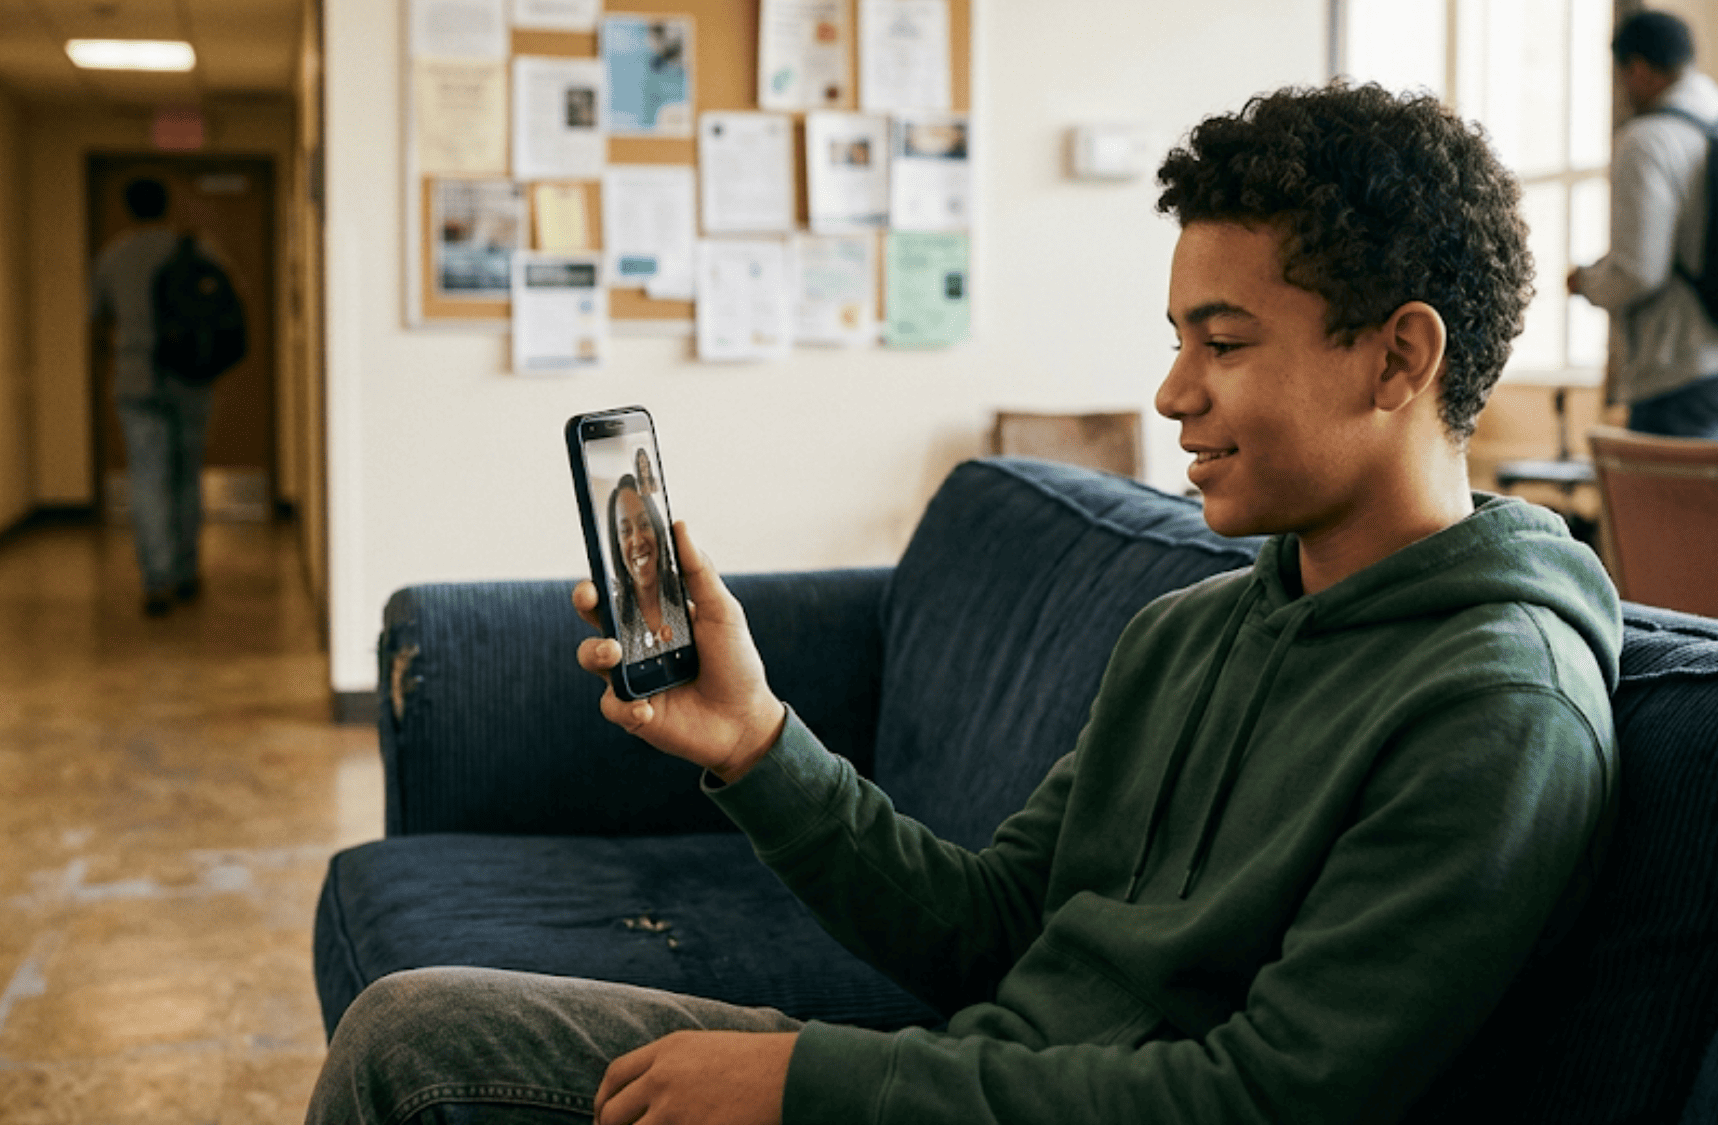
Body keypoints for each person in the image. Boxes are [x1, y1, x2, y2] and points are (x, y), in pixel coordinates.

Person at [307, 82, 1620, 1125]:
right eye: (1176, 340)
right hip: (971, 1079)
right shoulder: (1191, 629)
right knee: (418, 1028)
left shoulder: (1496, 712)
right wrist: (758, 745)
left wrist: (813, 1087)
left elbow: (1265, 1100)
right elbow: (990, 933)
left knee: (420, 1062)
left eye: (1222, 344)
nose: (1172, 394)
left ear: (1398, 357)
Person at [1567, 9, 1718, 439]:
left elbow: (1639, 271)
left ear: (1637, 69)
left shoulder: (1646, 140)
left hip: (1689, 378)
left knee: (1663, 489)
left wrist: (1586, 283)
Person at [89, 177, 228, 616]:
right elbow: (225, 306)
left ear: (129, 208)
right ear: (167, 206)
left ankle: (157, 579)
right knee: (187, 475)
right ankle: (187, 571)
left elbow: (97, 319)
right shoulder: (195, 250)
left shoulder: (112, 256)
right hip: (190, 379)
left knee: (147, 477)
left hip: (135, 382)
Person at [605, 473, 689, 657]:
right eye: (625, 531)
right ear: (617, 546)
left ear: (658, 530)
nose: (637, 540)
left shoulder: (688, 596)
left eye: (644, 524)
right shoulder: (613, 616)